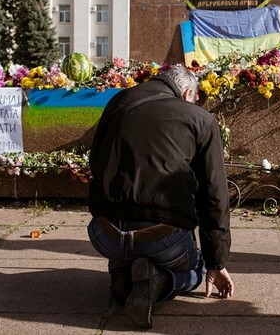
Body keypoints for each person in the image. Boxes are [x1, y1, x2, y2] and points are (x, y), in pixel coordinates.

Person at [87, 64, 235, 329]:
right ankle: (159, 283)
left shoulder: (119, 101)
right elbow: (214, 195)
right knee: (198, 270)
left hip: (104, 233)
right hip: (163, 237)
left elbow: (95, 161)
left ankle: (122, 276)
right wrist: (217, 261)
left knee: (126, 243)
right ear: (188, 92)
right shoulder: (200, 119)